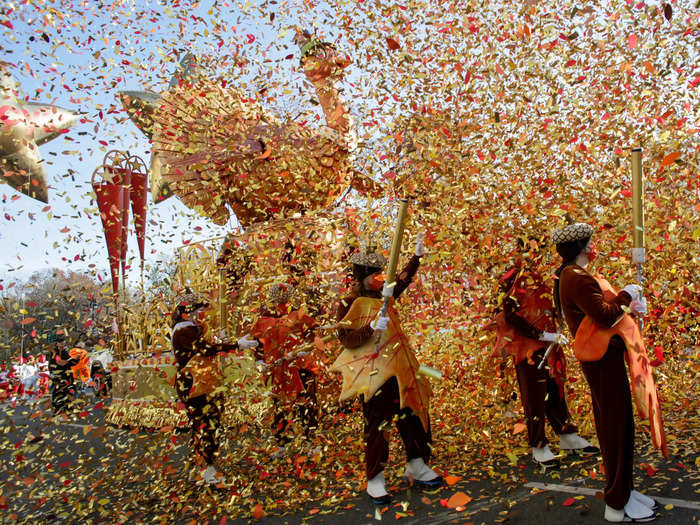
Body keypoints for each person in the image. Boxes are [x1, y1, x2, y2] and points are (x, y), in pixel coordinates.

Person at [552, 222, 656, 523]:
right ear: (583, 247)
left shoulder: (577, 275)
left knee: (620, 424)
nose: (594, 247)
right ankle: (616, 501)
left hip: (605, 359)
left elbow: (606, 310)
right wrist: (626, 295)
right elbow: (605, 315)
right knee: (614, 427)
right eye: (591, 242)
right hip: (600, 360)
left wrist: (630, 303)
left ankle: (624, 489)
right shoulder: (575, 277)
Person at [332, 233, 441, 504]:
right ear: (361, 277)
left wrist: (415, 258)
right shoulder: (348, 303)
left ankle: (417, 463)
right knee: (378, 424)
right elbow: (345, 338)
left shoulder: (386, 293)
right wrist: (370, 329)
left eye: (381, 272)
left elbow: (401, 279)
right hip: (373, 375)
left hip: (401, 367)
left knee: (412, 414)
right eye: (374, 273)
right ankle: (375, 477)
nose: (380, 276)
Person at [493, 237, 598, 468]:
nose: (537, 255)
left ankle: (566, 434)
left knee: (555, 388)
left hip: (551, 346)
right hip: (527, 346)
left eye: (539, 250)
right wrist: (540, 335)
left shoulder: (543, 275)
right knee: (534, 395)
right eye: (532, 250)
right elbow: (510, 314)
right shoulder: (512, 276)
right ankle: (538, 444)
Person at [171, 292, 259, 486]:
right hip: (195, 384)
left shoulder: (193, 329)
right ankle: (207, 469)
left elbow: (208, 345)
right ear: (189, 312)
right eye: (200, 310)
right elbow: (205, 349)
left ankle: (200, 467)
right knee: (206, 424)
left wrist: (223, 340)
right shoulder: (183, 331)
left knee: (205, 424)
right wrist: (235, 344)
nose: (203, 313)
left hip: (204, 383)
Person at [251, 283, 319, 451]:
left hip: (300, 366)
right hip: (278, 369)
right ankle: (281, 442)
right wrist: (259, 359)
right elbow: (257, 343)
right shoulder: (264, 319)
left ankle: (310, 441)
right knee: (280, 406)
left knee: (307, 404)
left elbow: (313, 333)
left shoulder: (299, 315)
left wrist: (306, 349)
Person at [49, 335, 79, 414]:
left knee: (70, 391)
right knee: (58, 393)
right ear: (57, 343)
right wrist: (72, 360)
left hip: (67, 376)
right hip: (58, 376)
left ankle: (69, 409)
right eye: (60, 342)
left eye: (63, 342)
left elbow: (72, 363)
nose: (62, 343)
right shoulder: (54, 352)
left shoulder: (65, 352)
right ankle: (57, 410)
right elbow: (60, 362)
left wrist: (76, 359)